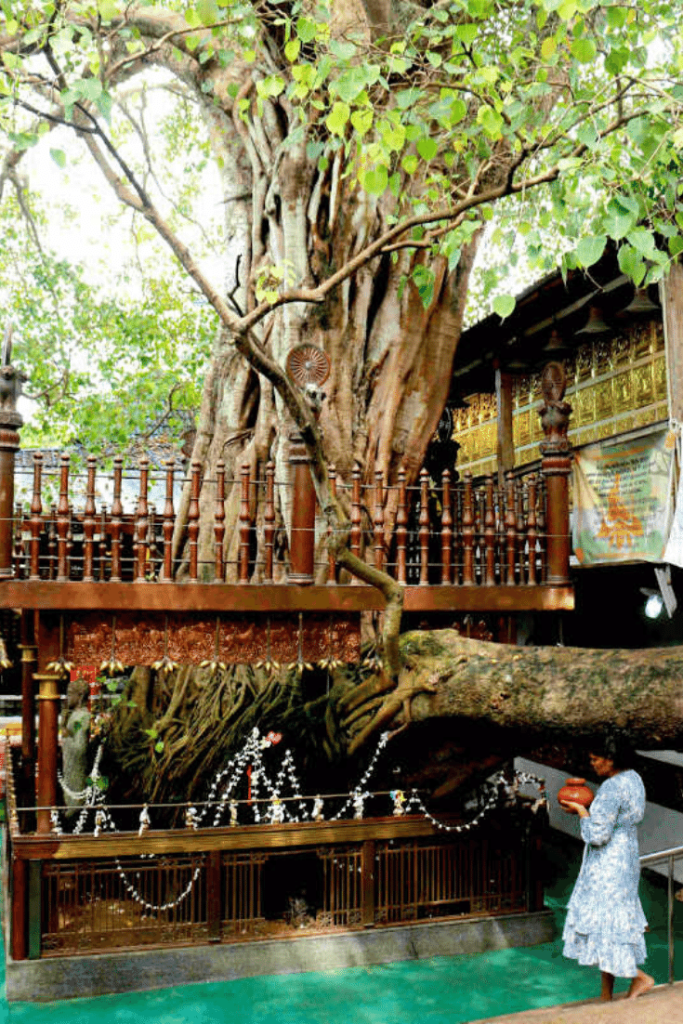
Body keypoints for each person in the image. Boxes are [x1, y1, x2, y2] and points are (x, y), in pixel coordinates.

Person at [560, 735, 654, 1001]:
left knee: (603, 924)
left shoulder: (611, 788)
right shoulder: (634, 778)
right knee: (613, 922)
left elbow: (597, 835)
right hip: (627, 855)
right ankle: (606, 993)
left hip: (608, 861)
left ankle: (639, 977)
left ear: (610, 759)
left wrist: (582, 811)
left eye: (595, 759)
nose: (592, 765)